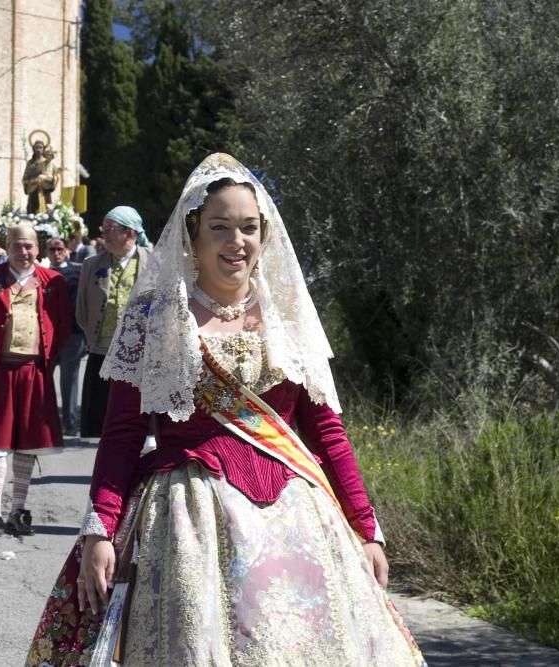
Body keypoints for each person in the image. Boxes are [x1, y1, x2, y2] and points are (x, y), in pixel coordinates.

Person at [27, 154, 425, 665]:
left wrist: (366, 530)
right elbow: (123, 433)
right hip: (190, 523)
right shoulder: (153, 318)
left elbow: (326, 429)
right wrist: (99, 530)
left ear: (264, 237)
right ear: (192, 236)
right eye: (220, 227)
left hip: (295, 520)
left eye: (249, 228)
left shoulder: (287, 317)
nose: (236, 241)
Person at [0, 224, 71, 537]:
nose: (24, 253)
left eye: (29, 247)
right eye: (17, 246)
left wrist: (45, 360)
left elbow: (62, 326)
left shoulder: (54, 282)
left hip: (34, 372)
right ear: (6, 247)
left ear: (38, 249)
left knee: (29, 440)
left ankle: (18, 508)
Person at [76, 206, 152, 438]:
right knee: (104, 420)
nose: (105, 234)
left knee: (139, 421)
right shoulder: (92, 264)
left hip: (142, 356)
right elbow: (82, 310)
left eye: (111, 229)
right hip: (102, 352)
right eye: (104, 229)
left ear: (130, 233)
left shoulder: (154, 262)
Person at [45, 237, 86, 434]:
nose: (56, 252)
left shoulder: (76, 273)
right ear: (46, 252)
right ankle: (45, 421)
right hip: (48, 335)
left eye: (59, 248)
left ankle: (69, 423)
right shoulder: (41, 274)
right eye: (52, 249)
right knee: (43, 380)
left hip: (72, 335)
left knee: (69, 380)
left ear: (66, 251)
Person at [22, 140, 58, 213]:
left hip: (45, 191)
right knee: (32, 211)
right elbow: (24, 178)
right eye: (36, 148)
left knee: (46, 211)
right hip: (33, 190)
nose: (38, 150)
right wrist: (33, 180)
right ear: (33, 149)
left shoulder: (48, 162)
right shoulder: (30, 163)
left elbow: (53, 177)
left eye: (40, 148)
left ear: (43, 149)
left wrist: (45, 178)